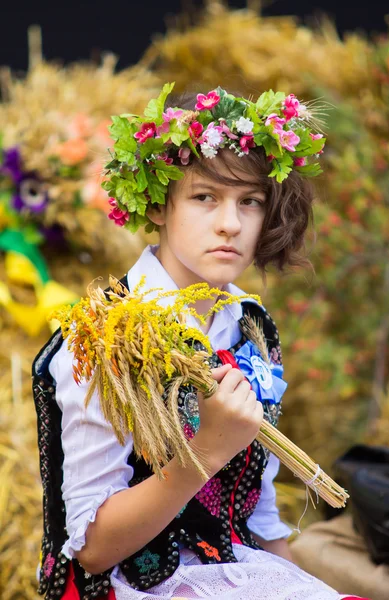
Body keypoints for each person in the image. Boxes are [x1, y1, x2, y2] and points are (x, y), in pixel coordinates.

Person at [32, 85, 370, 600]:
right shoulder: (105, 336)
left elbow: (255, 515)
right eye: (205, 197)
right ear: (160, 204)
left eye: (250, 201)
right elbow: (94, 548)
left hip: (236, 574)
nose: (231, 224)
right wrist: (206, 452)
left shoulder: (251, 325)